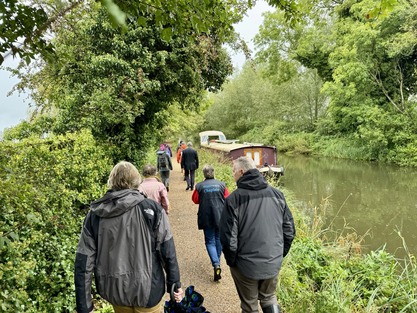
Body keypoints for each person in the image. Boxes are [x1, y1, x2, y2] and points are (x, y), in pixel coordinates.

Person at [74, 161, 183, 313]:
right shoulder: (152, 210)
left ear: (111, 181)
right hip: (149, 291)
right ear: (136, 181)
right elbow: (167, 250)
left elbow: (84, 262)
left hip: (115, 292)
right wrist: (175, 284)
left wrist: (84, 306)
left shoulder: (96, 215)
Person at [220, 156, 295, 313]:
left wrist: (232, 262)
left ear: (241, 171)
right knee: (269, 297)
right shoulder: (277, 195)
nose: (233, 174)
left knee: (250, 304)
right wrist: (279, 255)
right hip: (273, 261)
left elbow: (229, 239)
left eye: (233, 171)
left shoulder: (233, 200)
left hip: (246, 265)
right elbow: (289, 230)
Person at [192, 165, 230, 282]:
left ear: (204, 174)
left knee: (209, 240)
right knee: (218, 238)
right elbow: (227, 198)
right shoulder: (222, 185)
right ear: (213, 172)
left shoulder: (199, 186)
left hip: (206, 216)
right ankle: (217, 261)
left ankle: (216, 263)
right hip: (220, 216)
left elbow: (195, 200)